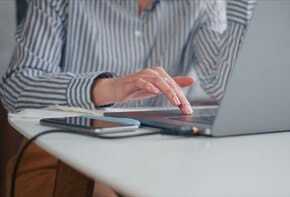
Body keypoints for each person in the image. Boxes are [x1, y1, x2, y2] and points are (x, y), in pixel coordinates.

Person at [1, 0, 256, 196]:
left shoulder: (201, 4)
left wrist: (241, 6)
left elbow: (224, 87)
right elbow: (16, 85)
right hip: (62, 155)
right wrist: (106, 88)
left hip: (158, 160)